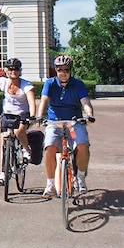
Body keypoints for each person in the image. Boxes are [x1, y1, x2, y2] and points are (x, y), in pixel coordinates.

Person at [36, 55, 96, 199]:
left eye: (66, 70)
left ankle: (80, 178)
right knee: (49, 147)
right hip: (54, 124)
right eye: (60, 69)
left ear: (71, 70)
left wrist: (89, 114)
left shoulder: (78, 84)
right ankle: (50, 184)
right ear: (55, 71)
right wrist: (39, 116)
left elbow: (85, 102)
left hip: (73, 124)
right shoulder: (50, 83)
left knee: (82, 145)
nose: (63, 72)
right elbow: (44, 100)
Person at [0, 58, 36, 186]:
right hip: (7, 116)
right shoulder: (3, 82)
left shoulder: (26, 85)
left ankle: (26, 149)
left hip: (22, 115)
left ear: (20, 71)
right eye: (10, 69)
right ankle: (3, 173)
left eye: (16, 69)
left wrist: (33, 115)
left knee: (19, 131)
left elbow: (31, 101)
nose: (13, 71)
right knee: (3, 143)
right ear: (6, 70)